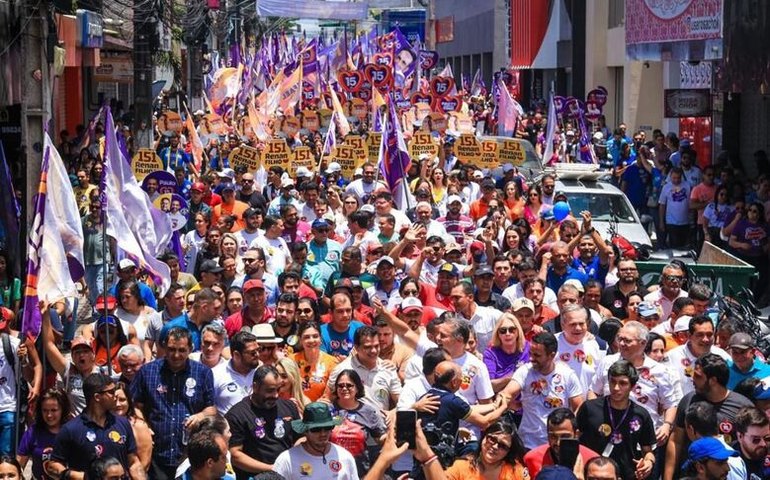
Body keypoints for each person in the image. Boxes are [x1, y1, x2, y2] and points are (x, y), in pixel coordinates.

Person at [131, 327, 217, 479]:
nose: (176, 355)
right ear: (164, 347)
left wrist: (200, 416)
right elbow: (136, 405)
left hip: (190, 457)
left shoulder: (203, 373)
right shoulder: (147, 372)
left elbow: (211, 408)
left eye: (182, 350)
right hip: (156, 453)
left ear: (191, 349)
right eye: (171, 349)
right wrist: (144, 426)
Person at [664, 354, 754, 480]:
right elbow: (676, 441)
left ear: (713, 380)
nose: (692, 379)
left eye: (698, 376)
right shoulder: (689, 401)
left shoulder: (742, 408)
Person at [47, 373, 145, 479]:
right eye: (111, 392)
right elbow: (52, 466)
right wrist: (83, 477)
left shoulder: (122, 423)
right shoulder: (71, 429)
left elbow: (133, 462)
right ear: (97, 397)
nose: (115, 395)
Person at [500, 332, 584, 450]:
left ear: (551, 355)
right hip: (528, 443)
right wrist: (506, 402)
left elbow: (579, 407)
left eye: (537, 355)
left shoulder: (567, 375)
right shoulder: (525, 372)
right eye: (530, 353)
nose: (531, 358)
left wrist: (567, 431)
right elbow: (507, 393)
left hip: (557, 445)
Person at [575, 360, 656, 480]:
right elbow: (575, 439)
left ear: (632, 386)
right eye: (612, 382)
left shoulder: (641, 414)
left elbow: (647, 450)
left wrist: (648, 463)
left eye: (623, 383)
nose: (616, 388)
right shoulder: (589, 408)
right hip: (592, 474)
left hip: (626, 475)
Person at [225, 365, 301, 479]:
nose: (275, 395)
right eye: (270, 390)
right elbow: (235, 455)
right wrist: (272, 468)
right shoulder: (237, 415)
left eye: (278, 389)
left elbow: (301, 437)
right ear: (255, 387)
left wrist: (292, 458)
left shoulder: (289, 407)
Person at [272, 402, 359, 480]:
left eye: (327, 428)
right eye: (316, 429)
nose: (323, 434)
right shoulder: (286, 460)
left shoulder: (345, 457)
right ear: (305, 431)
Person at [324, 326, 402, 411]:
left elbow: (401, 402)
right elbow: (327, 399)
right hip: (348, 418)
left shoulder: (388, 369)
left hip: (381, 419)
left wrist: (393, 413)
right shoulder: (341, 369)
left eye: (376, 346)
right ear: (356, 348)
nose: (374, 351)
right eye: (368, 347)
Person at [328, 370, 386, 475]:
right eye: (340, 386)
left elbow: (380, 438)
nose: (344, 388)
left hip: (359, 471)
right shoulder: (327, 410)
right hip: (332, 469)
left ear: (357, 388)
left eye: (349, 385)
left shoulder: (368, 411)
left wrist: (393, 431)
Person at [523, 408, 600, 478]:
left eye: (565, 436)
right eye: (553, 436)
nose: (558, 442)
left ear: (576, 434)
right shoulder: (531, 459)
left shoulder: (592, 460)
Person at [444, 419, 529, 480]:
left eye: (502, 446)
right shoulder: (461, 467)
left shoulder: (516, 471)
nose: (495, 446)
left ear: (508, 451)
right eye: (492, 439)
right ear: (483, 437)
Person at [17, 387, 71, 480]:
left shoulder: (72, 432)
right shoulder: (32, 432)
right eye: (45, 410)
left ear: (63, 410)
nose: (49, 415)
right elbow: (19, 467)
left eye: (54, 410)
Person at [482, 313, 530, 393]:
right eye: (503, 331)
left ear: (518, 332)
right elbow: (489, 386)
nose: (507, 334)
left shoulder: (529, 349)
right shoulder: (490, 354)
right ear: (498, 334)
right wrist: (513, 377)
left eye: (512, 330)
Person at [293, 321, 339, 402]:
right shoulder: (291, 360)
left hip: (321, 406)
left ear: (320, 339)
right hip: (295, 405)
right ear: (300, 340)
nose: (311, 340)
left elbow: (330, 395)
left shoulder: (332, 363)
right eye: (306, 337)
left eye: (315, 336)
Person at [114, 382, 153, 471]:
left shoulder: (139, 426)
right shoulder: (103, 423)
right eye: (114, 400)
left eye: (122, 400)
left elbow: (145, 462)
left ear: (129, 401)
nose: (117, 404)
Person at [733, 406, 770, 479]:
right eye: (756, 439)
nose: (763, 444)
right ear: (740, 437)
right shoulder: (730, 462)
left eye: (767, 438)